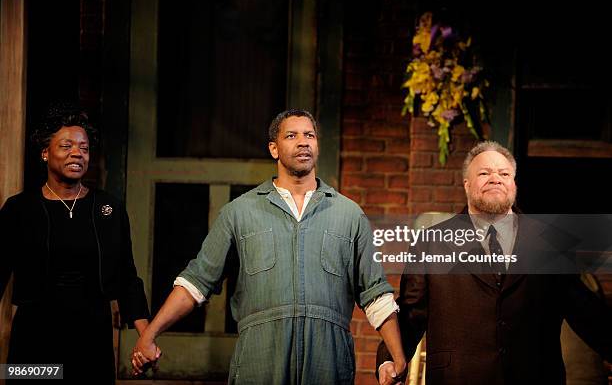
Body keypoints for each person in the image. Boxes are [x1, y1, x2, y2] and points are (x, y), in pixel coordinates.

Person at [132, 109, 406, 384]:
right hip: (259, 362)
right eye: (292, 135)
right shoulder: (240, 212)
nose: (303, 142)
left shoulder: (348, 215)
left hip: (327, 363)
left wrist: (398, 357)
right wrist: (150, 334)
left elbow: (375, 294)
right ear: (274, 149)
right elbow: (196, 283)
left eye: (309, 135)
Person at [376, 140, 612, 385]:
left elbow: (586, 311)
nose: (495, 178)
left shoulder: (549, 243)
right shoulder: (431, 243)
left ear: (514, 185)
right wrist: (390, 358)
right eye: (484, 173)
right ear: (467, 185)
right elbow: (411, 313)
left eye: (504, 173)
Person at [0, 105, 153, 384]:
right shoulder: (19, 209)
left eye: (83, 148)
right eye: (66, 146)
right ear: (45, 152)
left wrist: (147, 336)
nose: (77, 153)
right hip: (33, 338)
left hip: (91, 339)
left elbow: (126, 277)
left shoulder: (109, 208)